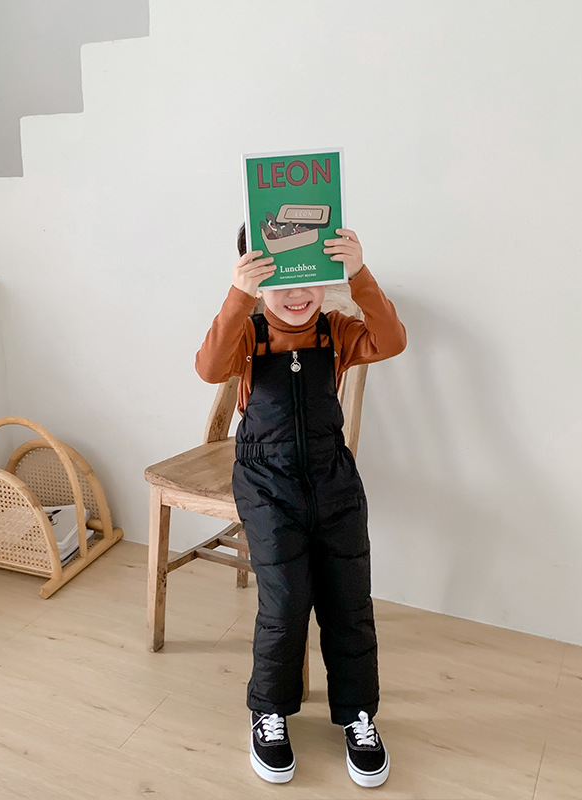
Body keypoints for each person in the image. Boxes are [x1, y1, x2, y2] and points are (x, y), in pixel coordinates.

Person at [195, 226, 406, 787]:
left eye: (311, 276)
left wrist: (359, 274)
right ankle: (269, 711)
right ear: (258, 278)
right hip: (267, 484)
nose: (297, 293)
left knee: (349, 601)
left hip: (333, 479)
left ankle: (358, 715)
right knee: (285, 603)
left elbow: (391, 340)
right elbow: (209, 368)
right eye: (281, 278)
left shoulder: (336, 330)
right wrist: (238, 296)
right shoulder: (248, 333)